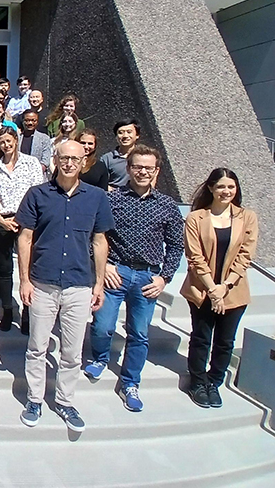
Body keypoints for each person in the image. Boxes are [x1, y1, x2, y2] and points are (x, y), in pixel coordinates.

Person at [16, 140, 114, 433]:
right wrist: (23, 279)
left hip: (79, 284)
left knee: (72, 352)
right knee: (37, 346)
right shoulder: (37, 195)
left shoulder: (96, 198)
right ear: (55, 160)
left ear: (84, 162)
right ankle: (34, 399)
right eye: (64, 158)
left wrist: (98, 284)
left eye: (76, 158)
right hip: (43, 282)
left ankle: (65, 401)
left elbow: (99, 241)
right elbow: (25, 238)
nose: (70, 163)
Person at [84, 145, 184, 412]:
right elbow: (95, 235)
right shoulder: (111, 200)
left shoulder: (167, 205)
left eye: (148, 168)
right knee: (102, 326)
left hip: (148, 277)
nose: (142, 171)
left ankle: (130, 383)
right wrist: (103, 267)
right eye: (137, 166)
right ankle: (101, 357)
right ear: (128, 169)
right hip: (116, 272)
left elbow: (176, 246)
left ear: (156, 172)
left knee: (139, 333)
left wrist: (165, 278)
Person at [182, 168, 258, 409]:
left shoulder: (247, 217)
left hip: (233, 290)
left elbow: (245, 256)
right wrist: (212, 288)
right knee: (201, 337)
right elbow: (194, 257)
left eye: (231, 187)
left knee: (225, 341)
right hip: (202, 289)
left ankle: (214, 382)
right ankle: (197, 381)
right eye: (221, 187)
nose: (226, 192)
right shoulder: (196, 218)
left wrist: (224, 287)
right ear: (211, 189)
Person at [0, 127, 45, 333]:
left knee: (27, 268)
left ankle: (27, 313)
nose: (6, 145)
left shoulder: (31, 163)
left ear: (16, 140)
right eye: (2, 142)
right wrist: (0, 218)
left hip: (28, 220)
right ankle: (8, 310)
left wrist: (28, 218)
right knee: (3, 269)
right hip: (3, 219)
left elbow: (39, 191)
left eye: (9, 141)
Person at [100, 118, 141, 189]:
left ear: (137, 135)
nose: (125, 136)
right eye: (121, 132)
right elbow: (101, 182)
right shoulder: (107, 159)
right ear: (116, 137)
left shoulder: (144, 156)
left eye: (129, 132)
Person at [17, 110, 52, 176]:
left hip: (38, 175)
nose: (30, 123)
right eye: (27, 120)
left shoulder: (44, 138)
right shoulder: (17, 138)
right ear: (23, 121)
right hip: (19, 174)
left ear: (37, 122)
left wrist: (34, 172)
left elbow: (46, 161)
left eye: (33, 120)